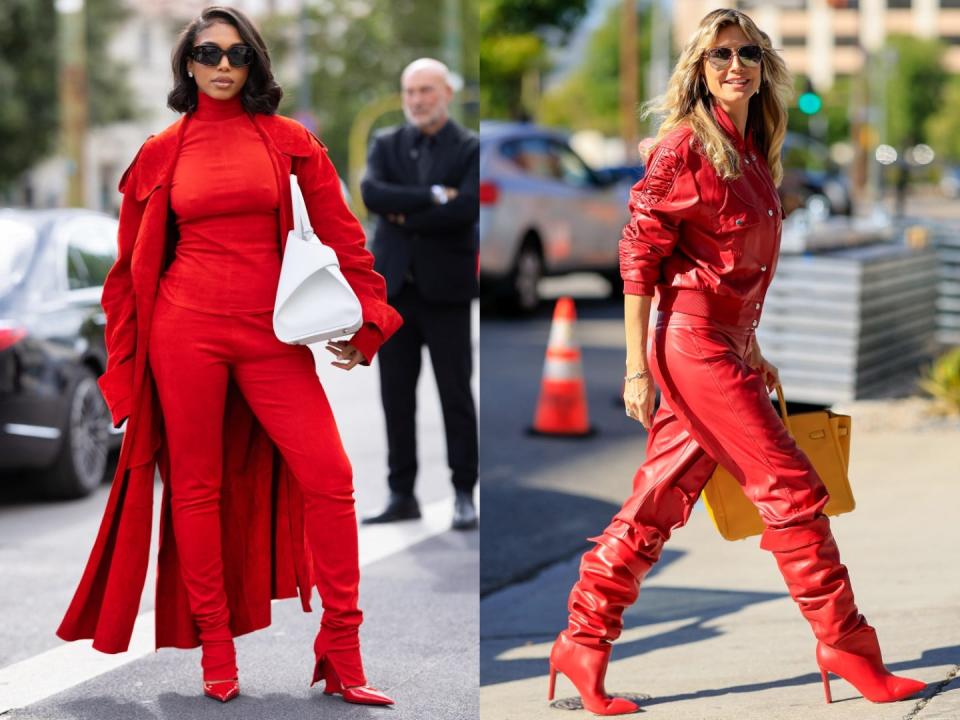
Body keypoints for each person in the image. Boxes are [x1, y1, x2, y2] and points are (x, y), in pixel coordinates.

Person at [547, 9, 926, 715]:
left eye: (747, 53)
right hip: (689, 345)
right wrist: (635, 367)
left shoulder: (752, 148)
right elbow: (639, 261)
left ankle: (582, 640)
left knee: (656, 502)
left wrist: (752, 348)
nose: (734, 65)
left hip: (724, 344)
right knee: (790, 488)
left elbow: (728, 265)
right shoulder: (683, 147)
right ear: (698, 68)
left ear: (763, 65)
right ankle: (846, 643)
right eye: (719, 54)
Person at [56, 6, 401, 706]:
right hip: (185, 334)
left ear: (254, 65)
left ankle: (343, 644)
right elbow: (125, 276)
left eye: (237, 54)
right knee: (196, 489)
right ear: (187, 63)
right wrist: (124, 372)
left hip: (270, 336)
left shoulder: (288, 140)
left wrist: (370, 320)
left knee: (330, 478)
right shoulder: (162, 149)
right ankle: (216, 649)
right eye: (208, 53)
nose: (222, 65)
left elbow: (344, 237)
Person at [360, 58, 480, 530]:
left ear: (447, 93)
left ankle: (464, 494)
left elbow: (467, 207)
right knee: (395, 396)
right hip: (394, 291)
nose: (417, 100)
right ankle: (401, 493)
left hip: (446, 291)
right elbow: (372, 194)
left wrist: (405, 212)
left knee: (455, 395)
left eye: (426, 91)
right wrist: (435, 196)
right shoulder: (386, 143)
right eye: (410, 92)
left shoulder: (469, 146)